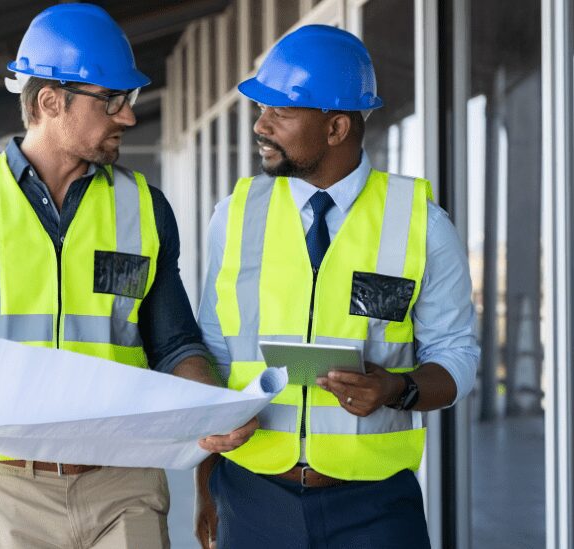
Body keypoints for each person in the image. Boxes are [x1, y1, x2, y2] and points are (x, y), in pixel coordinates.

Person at [0, 4, 256, 548]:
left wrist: (214, 406)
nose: (126, 116)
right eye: (112, 101)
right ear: (51, 101)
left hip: (127, 485)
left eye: (129, 100)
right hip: (8, 494)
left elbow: (174, 344)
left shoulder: (146, 208)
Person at [194, 25, 479, 549]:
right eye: (262, 109)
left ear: (336, 127)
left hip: (374, 507)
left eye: (280, 112)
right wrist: (205, 478)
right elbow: (211, 350)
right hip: (251, 497)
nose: (261, 125)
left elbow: (457, 354)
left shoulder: (422, 224)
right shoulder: (231, 217)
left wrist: (398, 388)